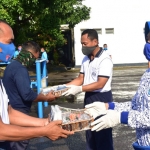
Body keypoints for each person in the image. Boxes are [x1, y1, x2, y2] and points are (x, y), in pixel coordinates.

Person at [0, 19, 73, 150]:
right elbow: (1, 131)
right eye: (9, 42)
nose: (12, 47)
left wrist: (45, 123)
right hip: (19, 111)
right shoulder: (20, 69)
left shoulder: (10, 67)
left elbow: (8, 113)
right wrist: (44, 131)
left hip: (16, 113)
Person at [85, 46, 150, 150]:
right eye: (148, 40)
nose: (147, 45)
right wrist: (108, 106)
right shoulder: (147, 74)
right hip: (142, 144)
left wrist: (120, 117)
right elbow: (135, 105)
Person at [62, 29, 114, 150]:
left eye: (85, 44)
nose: (83, 47)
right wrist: (64, 88)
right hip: (89, 97)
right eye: (81, 44)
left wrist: (79, 89)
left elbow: (100, 84)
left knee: (102, 133)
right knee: (90, 132)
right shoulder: (86, 59)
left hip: (102, 98)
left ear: (95, 41)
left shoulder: (105, 60)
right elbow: (80, 78)